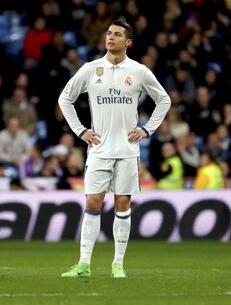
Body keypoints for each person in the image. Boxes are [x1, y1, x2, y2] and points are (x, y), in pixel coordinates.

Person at [58, 19, 171, 278]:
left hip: (127, 150)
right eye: (109, 33)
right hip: (98, 148)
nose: (111, 38)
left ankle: (117, 264)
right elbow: (65, 98)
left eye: (117, 34)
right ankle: (84, 264)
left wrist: (147, 129)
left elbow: (164, 99)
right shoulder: (91, 69)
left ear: (128, 42)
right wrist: (81, 130)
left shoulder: (139, 71)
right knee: (92, 202)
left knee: (122, 204)